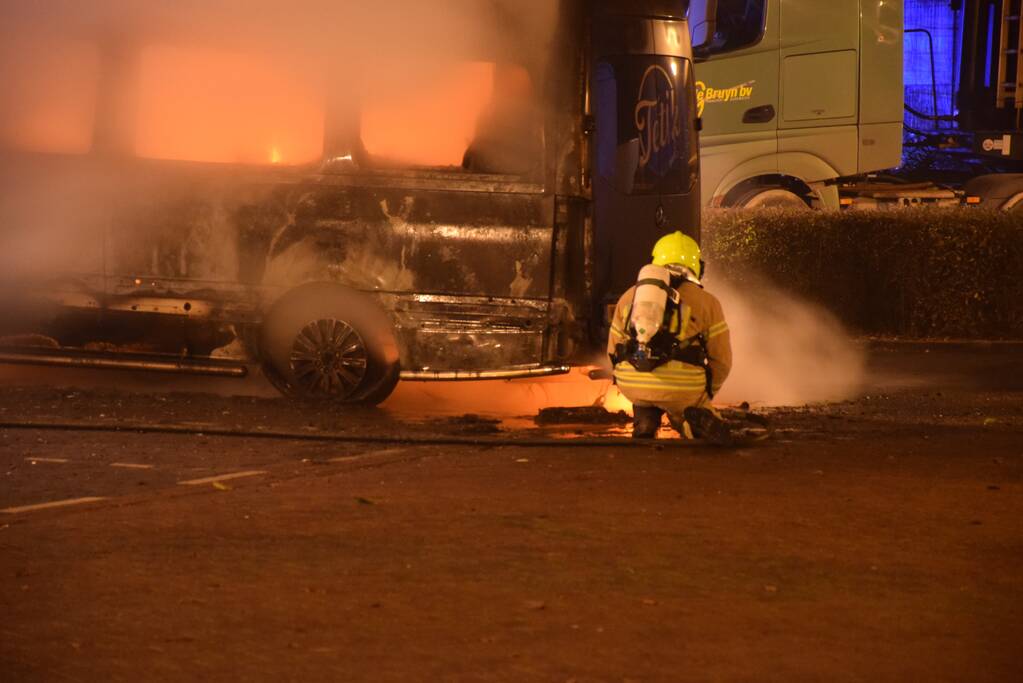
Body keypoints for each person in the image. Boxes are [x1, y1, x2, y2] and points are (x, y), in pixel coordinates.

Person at [607, 231, 733, 442]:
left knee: (647, 395)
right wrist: (706, 394)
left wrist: (626, 378)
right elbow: (722, 360)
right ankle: (693, 425)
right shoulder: (707, 302)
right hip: (683, 387)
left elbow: (612, 350)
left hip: (631, 384)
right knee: (690, 410)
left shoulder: (629, 295)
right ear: (698, 267)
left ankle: (645, 421)